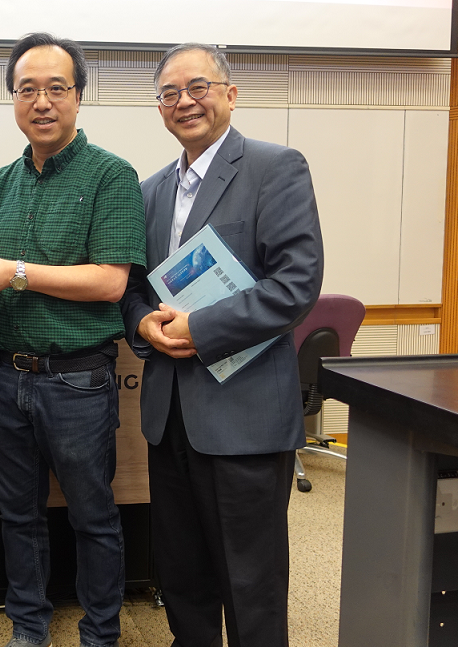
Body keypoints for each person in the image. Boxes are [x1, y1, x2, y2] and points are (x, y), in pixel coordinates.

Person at [121, 43, 324, 647]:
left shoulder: (276, 166)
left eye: (198, 86)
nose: (184, 101)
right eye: (169, 93)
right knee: (182, 576)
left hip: (245, 417)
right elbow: (134, 287)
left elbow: (295, 286)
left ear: (230, 95)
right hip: (170, 416)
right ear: (159, 108)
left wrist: (200, 330)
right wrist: (142, 326)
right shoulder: (150, 188)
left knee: (251, 581)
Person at [0, 32, 146, 647]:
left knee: (94, 518)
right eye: (27, 89)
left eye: (55, 88)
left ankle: (100, 635)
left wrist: (12, 270)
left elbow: (111, 283)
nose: (41, 101)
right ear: (13, 99)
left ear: (79, 97)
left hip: (78, 380)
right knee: (18, 516)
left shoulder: (113, 176)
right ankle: (29, 629)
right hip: (4, 375)